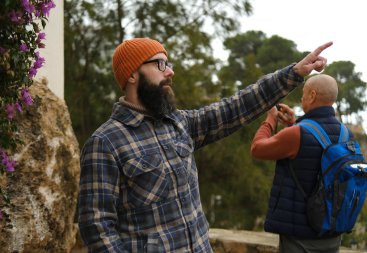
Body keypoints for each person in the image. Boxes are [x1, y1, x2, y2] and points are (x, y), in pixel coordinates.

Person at [78, 37, 332, 252]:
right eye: (160, 64)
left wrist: (294, 74)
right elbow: (97, 228)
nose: (170, 71)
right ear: (132, 74)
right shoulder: (105, 143)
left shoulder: (179, 123)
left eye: (168, 63)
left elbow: (236, 107)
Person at [251, 74, 346, 253]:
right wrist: (293, 124)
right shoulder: (345, 133)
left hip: (300, 240)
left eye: (303, 93)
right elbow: (312, 158)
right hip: (332, 237)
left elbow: (257, 149)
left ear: (312, 95)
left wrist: (270, 120)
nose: (302, 98)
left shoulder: (298, 134)